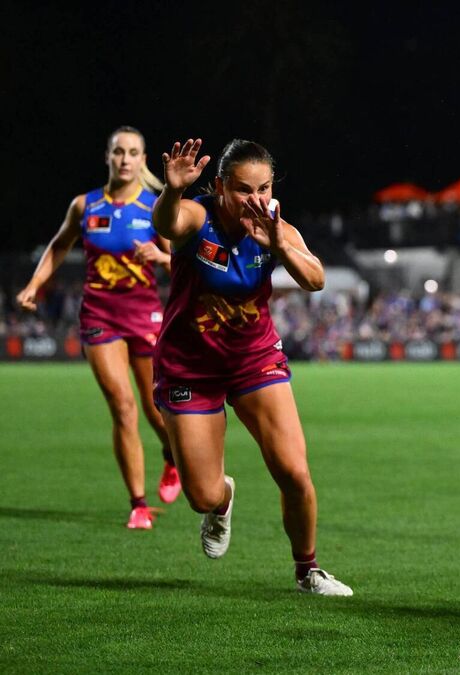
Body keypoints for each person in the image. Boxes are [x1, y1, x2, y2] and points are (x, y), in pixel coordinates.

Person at [151, 137, 352, 596]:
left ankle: (308, 570)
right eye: (244, 189)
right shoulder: (196, 217)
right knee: (201, 495)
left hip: (253, 360)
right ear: (220, 186)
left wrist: (280, 244)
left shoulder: (274, 224)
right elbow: (166, 223)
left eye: (264, 188)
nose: (255, 199)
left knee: (294, 473)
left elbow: (316, 279)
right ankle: (222, 500)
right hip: (189, 367)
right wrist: (173, 190)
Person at [17, 126, 180, 530]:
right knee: (122, 406)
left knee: (155, 409)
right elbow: (59, 245)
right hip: (99, 316)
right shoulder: (85, 205)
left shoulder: (156, 208)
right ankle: (138, 504)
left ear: (143, 160)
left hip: (144, 315)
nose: (125, 159)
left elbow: (182, 266)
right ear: (107, 156)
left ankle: (171, 456)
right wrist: (35, 285)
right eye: (118, 151)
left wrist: (161, 257)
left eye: (133, 153)